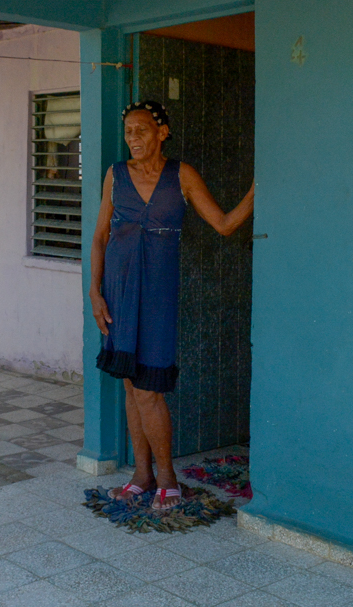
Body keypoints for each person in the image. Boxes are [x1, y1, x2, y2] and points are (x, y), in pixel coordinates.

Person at [90, 101, 254, 510]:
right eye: (128, 131)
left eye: (142, 130)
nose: (133, 138)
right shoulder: (115, 175)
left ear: (162, 132)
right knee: (131, 386)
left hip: (158, 294)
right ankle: (142, 475)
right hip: (118, 292)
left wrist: (257, 190)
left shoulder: (181, 175)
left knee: (149, 390)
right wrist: (94, 293)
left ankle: (168, 479)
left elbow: (224, 224)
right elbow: (99, 238)